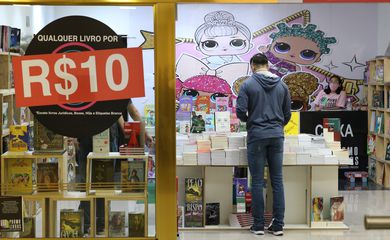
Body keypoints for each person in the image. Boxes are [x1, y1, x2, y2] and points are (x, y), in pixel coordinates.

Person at [236, 53, 291, 236]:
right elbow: (287, 114)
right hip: (277, 136)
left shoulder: (248, 84)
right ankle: (278, 225)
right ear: (267, 65)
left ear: (252, 66)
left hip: (257, 136)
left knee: (258, 181)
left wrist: (251, 120)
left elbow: (240, 111)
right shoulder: (282, 85)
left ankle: (258, 225)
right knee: (277, 181)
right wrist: (276, 126)